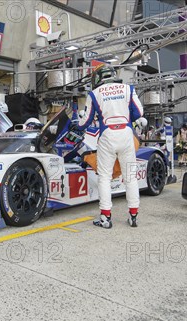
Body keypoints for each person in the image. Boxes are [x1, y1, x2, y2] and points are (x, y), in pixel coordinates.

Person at [76, 64, 143, 229]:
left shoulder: (94, 93)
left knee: (104, 177)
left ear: (99, 78)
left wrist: (79, 121)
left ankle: (105, 218)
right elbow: (139, 112)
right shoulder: (128, 88)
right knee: (130, 178)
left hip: (107, 136)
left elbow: (84, 122)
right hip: (126, 135)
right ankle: (133, 215)